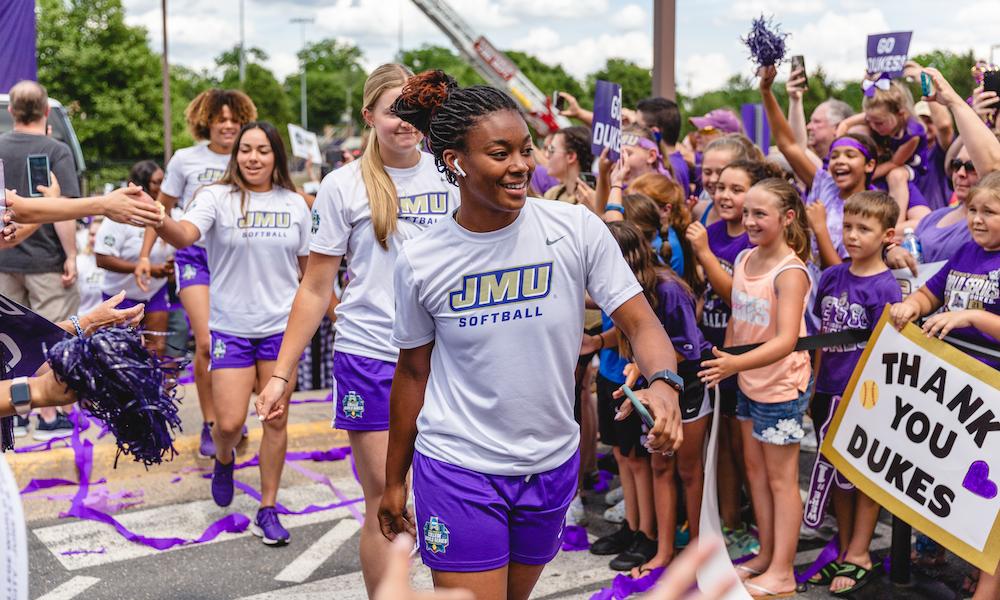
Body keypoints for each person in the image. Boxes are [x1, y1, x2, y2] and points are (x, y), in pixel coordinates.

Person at [374, 69, 683, 600]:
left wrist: (664, 382)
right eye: (500, 153)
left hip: (550, 465)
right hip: (459, 466)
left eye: (526, 149)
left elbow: (639, 319)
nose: (521, 165)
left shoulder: (575, 228)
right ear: (457, 162)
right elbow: (413, 371)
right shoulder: (421, 259)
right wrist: (393, 480)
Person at [255, 63, 457, 595]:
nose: (406, 123)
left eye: (415, 111)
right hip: (373, 357)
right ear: (369, 116)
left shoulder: (452, 172)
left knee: (446, 497)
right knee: (387, 501)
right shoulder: (342, 185)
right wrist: (281, 373)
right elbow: (315, 288)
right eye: (394, 111)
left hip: (451, 356)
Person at [152, 121, 311, 546]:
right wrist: (159, 219)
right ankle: (224, 459)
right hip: (231, 330)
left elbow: (308, 273)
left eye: (262, 150)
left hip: (280, 331)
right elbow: (185, 234)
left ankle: (268, 507)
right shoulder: (215, 198)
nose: (253, 158)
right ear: (234, 155)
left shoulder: (296, 204)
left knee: (275, 422)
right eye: (245, 150)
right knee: (229, 423)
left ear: (276, 155)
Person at [699, 178, 813, 598]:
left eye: (759, 214)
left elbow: (785, 340)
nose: (748, 220)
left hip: (781, 388)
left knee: (782, 481)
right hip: (746, 381)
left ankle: (783, 570)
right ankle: (767, 555)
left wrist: (733, 364)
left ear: (787, 218)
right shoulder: (746, 257)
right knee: (755, 473)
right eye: (747, 212)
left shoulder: (791, 271)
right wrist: (727, 360)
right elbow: (739, 318)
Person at [135, 89, 258, 458]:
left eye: (234, 119)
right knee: (206, 343)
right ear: (206, 121)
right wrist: (145, 255)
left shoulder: (251, 157)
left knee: (236, 340)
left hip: (236, 260)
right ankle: (212, 423)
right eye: (220, 118)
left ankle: (231, 413)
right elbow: (161, 209)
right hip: (195, 259)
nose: (227, 125)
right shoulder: (186, 160)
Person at [686, 159, 784, 560]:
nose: (724, 195)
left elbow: (735, 298)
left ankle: (751, 525)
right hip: (718, 348)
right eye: (719, 187)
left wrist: (706, 256)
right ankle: (729, 521)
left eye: (736, 189)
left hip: (752, 358)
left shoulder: (752, 241)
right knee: (722, 443)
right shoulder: (708, 231)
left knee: (753, 457)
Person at [807, 192, 902, 595]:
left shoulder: (886, 288)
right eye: (847, 226)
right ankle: (845, 546)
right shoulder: (832, 276)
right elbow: (815, 337)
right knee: (835, 475)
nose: (852, 235)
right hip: (827, 390)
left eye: (864, 228)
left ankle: (861, 552)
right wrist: (812, 386)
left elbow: (889, 351)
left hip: (865, 397)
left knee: (861, 477)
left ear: (887, 235)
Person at [606, 221, 712, 578]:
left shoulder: (668, 289)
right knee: (659, 467)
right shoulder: (622, 286)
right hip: (649, 389)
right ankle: (664, 551)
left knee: (689, 471)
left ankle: (697, 551)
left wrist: (641, 366)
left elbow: (689, 348)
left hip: (689, 386)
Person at [0, 81, 82, 440]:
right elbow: (62, 208)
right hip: (47, 260)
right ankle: (49, 418)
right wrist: (72, 255)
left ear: (11, 112)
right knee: (53, 337)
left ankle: (13, 415)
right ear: (47, 111)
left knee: (9, 343)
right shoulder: (56, 149)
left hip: (3, 259)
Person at [837, 80, 932, 227]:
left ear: (901, 114)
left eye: (879, 123)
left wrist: (865, 174)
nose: (873, 127)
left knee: (896, 175)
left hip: (910, 164)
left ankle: (894, 223)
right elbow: (844, 124)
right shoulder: (876, 115)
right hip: (886, 159)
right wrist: (840, 147)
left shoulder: (912, 133)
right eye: (869, 121)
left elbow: (895, 163)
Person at [691, 134, 763, 227]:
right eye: (707, 172)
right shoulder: (698, 210)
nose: (713, 179)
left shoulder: (753, 222)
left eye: (721, 172)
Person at [636, 97, 692, 195]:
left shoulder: (668, 168)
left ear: (653, 132)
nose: (632, 132)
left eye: (637, 127)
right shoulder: (675, 161)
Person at [542, 126, 595, 207]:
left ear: (571, 157)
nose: (547, 155)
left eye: (551, 150)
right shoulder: (552, 194)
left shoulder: (593, 200)